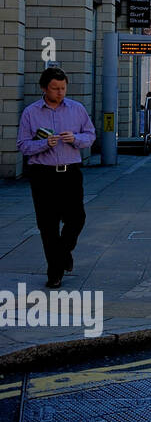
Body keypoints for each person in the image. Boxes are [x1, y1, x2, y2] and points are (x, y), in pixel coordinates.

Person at [16, 68, 96, 288]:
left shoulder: (77, 109)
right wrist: (44, 144)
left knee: (77, 218)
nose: (60, 92)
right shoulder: (31, 113)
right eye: (55, 88)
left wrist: (76, 138)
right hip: (43, 175)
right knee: (48, 225)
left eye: (63, 88)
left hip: (70, 172)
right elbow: (23, 145)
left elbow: (90, 135)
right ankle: (55, 272)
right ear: (44, 88)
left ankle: (63, 253)